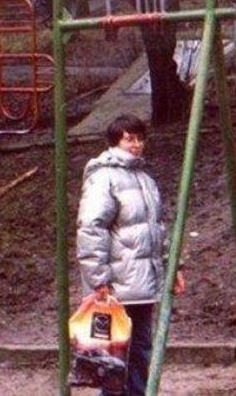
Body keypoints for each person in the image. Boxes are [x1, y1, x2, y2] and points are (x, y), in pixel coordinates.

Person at [76, 113, 185, 396]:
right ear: (115, 142)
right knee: (114, 354)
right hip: (116, 283)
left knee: (140, 348)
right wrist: (98, 279)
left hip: (142, 280)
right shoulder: (103, 178)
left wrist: (174, 266)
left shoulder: (144, 179)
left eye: (139, 138)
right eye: (129, 139)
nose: (136, 144)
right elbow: (91, 228)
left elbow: (158, 227)